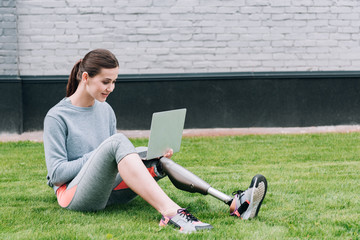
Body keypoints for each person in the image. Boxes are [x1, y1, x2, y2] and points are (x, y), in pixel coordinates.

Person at [43, 49, 268, 234]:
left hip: (107, 191)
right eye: (105, 82)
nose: (111, 88)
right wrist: (98, 154)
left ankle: (234, 202)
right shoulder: (57, 117)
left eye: (114, 82)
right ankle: (172, 213)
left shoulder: (105, 110)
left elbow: (111, 159)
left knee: (153, 158)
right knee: (118, 142)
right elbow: (57, 175)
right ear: (85, 77)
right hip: (72, 196)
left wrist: (147, 156)